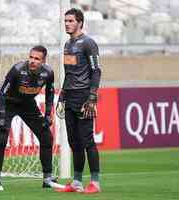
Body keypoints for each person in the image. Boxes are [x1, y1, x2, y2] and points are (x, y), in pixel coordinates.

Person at [0, 45, 60, 191]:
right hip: (9, 104)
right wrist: (2, 116)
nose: (33, 61)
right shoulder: (17, 70)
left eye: (37, 59)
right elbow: (2, 92)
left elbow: (50, 92)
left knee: (47, 137)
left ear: (43, 61)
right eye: (31, 57)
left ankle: (47, 179)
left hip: (28, 105)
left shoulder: (48, 73)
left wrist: (48, 114)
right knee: (1, 139)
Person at [55, 8, 102, 194]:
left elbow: (96, 71)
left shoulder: (88, 43)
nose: (67, 24)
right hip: (70, 97)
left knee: (87, 140)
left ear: (80, 22)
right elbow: (69, 73)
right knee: (74, 142)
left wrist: (92, 96)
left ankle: (95, 182)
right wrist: (62, 95)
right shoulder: (68, 44)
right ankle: (76, 182)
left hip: (84, 96)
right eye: (65, 21)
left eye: (71, 21)